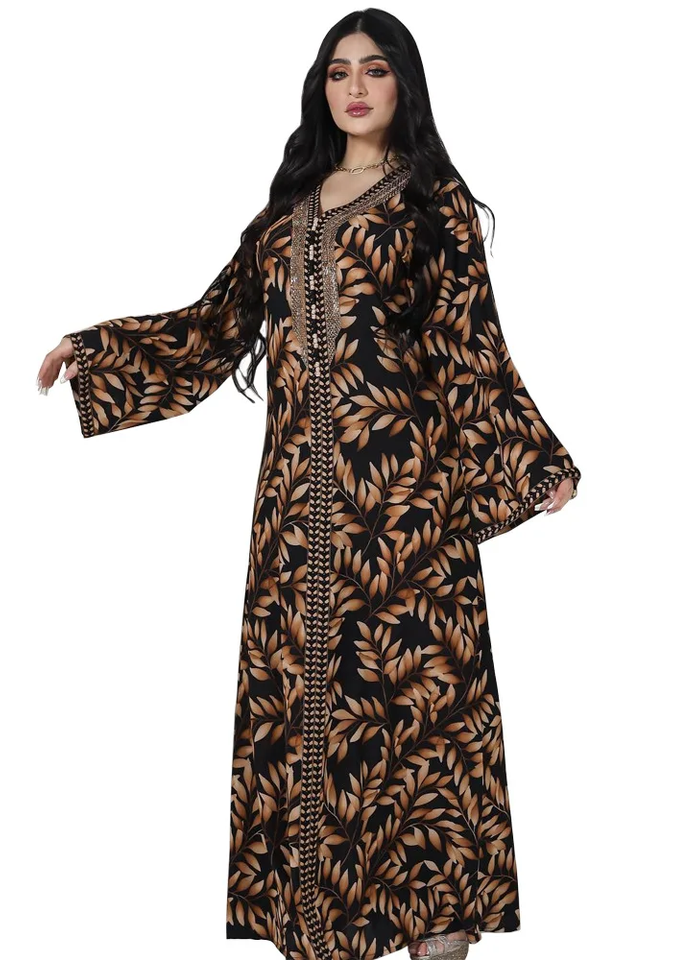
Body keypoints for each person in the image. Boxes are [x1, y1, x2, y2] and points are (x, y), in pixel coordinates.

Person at [36, 9, 580, 960]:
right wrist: (97, 349)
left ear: (404, 83)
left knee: (418, 714)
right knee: (313, 719)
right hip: (297, 520)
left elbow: (471, 344)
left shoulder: (434, 202)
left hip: (407, 513)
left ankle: (438, 925)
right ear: (320, 88)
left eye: (375, 69)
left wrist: (532, 458)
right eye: (338, 72)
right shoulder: (285, 216)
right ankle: (323, 924)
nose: (355, 87)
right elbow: (211, 328)